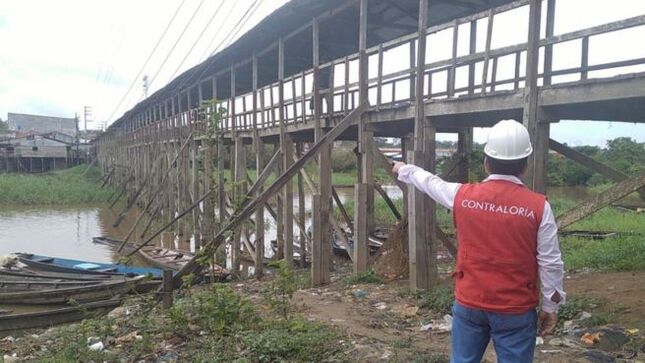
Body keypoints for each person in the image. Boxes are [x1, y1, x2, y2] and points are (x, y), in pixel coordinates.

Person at [392, 120, 565, 363]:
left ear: (486, 163)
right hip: (515, 309)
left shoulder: (462, 195)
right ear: (525, 165)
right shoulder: (539, 207)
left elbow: (431, 183)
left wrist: (404, 169)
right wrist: (551, 306)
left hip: (470, 302)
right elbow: (551, 262)